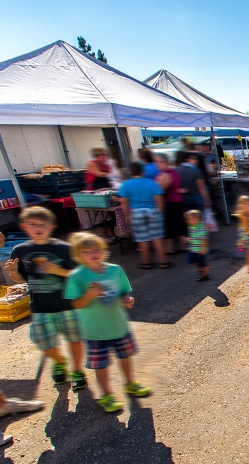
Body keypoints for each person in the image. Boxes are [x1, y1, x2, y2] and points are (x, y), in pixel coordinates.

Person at [64, 233, 151, 413]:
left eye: (96, 249)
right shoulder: (77, 276)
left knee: (125, 357)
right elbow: (75, 304)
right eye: (87, 251)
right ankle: (106, 394)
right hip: (95, 330)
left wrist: (128, 299)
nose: (93, 254)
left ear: (103, 251)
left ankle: (130, 383)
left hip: (119, 325)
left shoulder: (115, 270)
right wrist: (89, 295)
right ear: (79, 256)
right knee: (101, 365)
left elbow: (125, 292)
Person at [5, 208, 85, 391]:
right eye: (33, 224)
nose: (38, 228)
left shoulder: (63, 249)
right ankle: (59, 361)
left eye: (43, 224)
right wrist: (14, 272)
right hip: (40, 306)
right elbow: (22, 279)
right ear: (24, 227)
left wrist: (57, 270)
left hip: (67, 304)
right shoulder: (20, 250)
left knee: (74, 339)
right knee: (42, 341)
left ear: (52, 227)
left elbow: (78, 275)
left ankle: (77, 371)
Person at [118, 162, 170, 270]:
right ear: (143, 171)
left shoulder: (126, 184)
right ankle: (163, 262)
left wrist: (127, 215)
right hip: (152, 211)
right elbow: (159, 199)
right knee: (157, 238)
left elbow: (124, 202)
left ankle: (146, 263)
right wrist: (160, 212)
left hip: (136, 213)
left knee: (143, 239)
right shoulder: (151, 183)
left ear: (130, 172)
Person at [154, 153, 184, 254]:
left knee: (170, 225)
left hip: (169, 202)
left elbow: (160, 190)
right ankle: (182, 246)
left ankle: (170, 248)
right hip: (176, 200)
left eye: (159, 162)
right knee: (179, 224)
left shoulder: (166, 174)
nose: (157, 164)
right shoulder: (173, 171)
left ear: (165, 162)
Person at [184, 210, 210, 281]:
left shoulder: (201, 228)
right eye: (187, 219)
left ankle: (205, 275)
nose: (187, 221)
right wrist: (188, 239)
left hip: (200, 250)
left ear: (197, 219)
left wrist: (203, 249)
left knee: (203, 263)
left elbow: (204, 239)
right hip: (193, 249)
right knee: (191, 260)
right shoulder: (191, 227)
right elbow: (193, 237)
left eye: (189, 219)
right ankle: (201, 268)